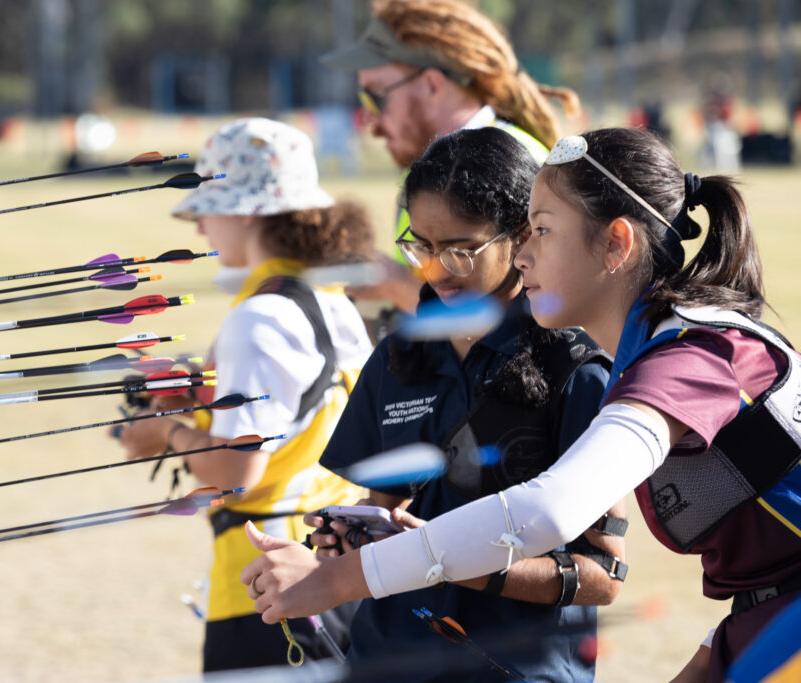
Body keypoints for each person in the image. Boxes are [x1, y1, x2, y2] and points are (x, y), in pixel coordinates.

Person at [241, 127, 801, 682]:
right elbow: (767, 582)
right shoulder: (662, 349)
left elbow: (552, 511)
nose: (523, 254)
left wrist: (342, 579)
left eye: (541, 231)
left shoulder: (692, 356)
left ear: (616, 244)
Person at [273, 127, 624, 681]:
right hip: (388, 662)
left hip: (514, 668)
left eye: (462, 250)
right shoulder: (397, 356)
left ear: (521, 236)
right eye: (421, 246)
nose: (435, 269)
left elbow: (601, 575)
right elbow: (383, 511)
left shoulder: (577, 369)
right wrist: (344, 541)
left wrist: (444, 559)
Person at [117, 117, 374, 672]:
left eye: (207, 205)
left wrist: (164, 431)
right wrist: (197, 401)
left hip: (268, 593)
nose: (201, 226)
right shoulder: (329, 299)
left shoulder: (260, 318)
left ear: (246, 209)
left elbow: (236, 472)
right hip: (329, 577)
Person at [320, 0, 580, 317]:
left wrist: (394, 285)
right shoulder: (431, 169)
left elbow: (546, 318)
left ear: (432, 86)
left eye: (376, 97)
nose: (368, 120)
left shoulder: (523, 165)